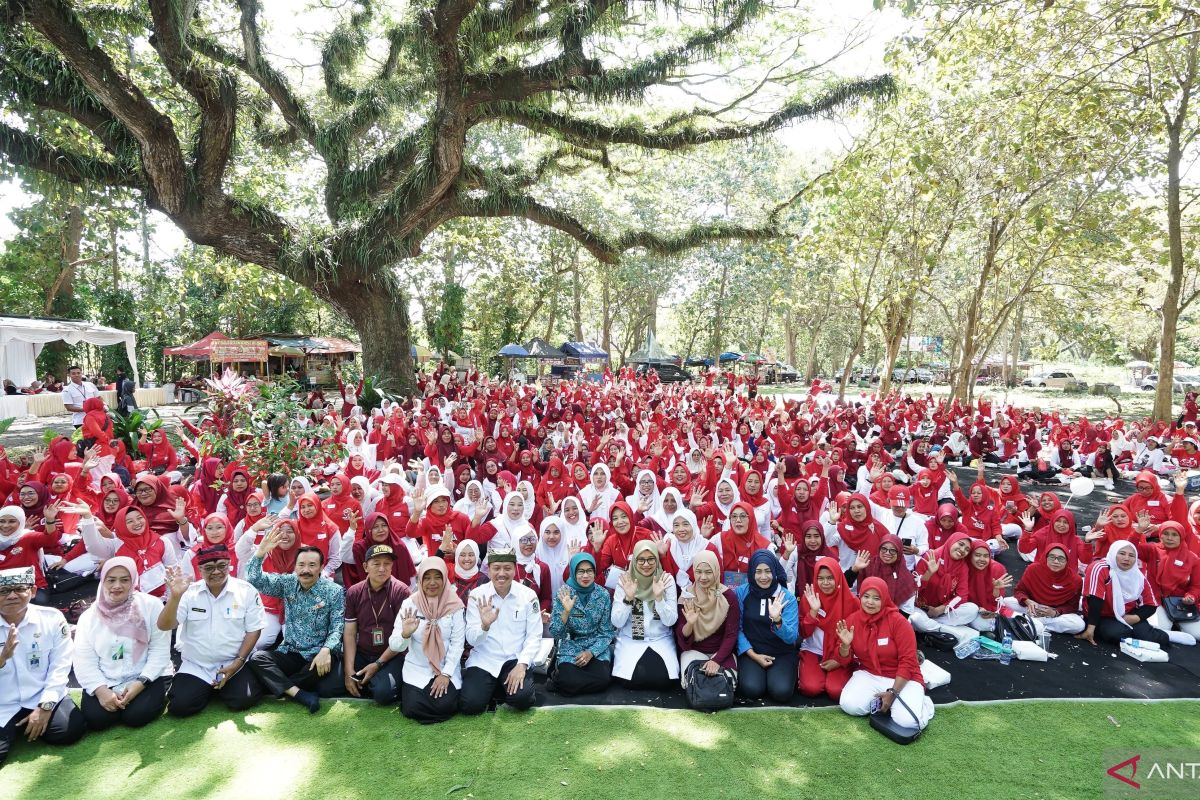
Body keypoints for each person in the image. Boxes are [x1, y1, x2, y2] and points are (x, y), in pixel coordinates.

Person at [158, 546, 266, 717]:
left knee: (243, 700)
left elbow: (254, 630)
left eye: (222, 566)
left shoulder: (246, 591)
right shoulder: (188, 593)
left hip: (234, 662)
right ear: (200, 569)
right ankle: (208, 687)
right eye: (209, 568)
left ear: (229, 565)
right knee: (180, 707)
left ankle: (217, 687)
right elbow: (165, 625)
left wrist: (238, 662)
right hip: (197, 665)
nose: (216, 572)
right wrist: (175, 597)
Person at [246, 529, 346, 713]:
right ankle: (300, 694)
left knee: (323, 667)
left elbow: (338, 626)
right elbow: (254, 579)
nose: (305, 570)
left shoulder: (334, 591)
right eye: (301, 565)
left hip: (318, 654)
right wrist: (260, 554)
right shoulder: (287, 583)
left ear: (321, 567)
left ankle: (277, 684)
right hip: (291, 651)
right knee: (258, 658)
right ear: (295, 567)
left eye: (312, 565)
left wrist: (326, 649)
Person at [73, 557, 172, 730]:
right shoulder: (88, 618)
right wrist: (102, 691)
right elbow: (84, 661)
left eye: (124, 580)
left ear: (133, 581)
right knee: (98, 719)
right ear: (102, 581)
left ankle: (156, 692)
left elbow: (160, 650)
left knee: (136, 716)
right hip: (107, 678)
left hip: (146, 675)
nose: (117, 586)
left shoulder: (151, 605)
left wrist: (140, 684)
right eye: (111, 580)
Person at [0, 566, 86, 765]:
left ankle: (27, 723)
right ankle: (14, 726)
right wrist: (2, 659)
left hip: (40, 694)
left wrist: (45, 706)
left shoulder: (51, 618)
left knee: (69, 730)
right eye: (4, 591)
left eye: (19, 588)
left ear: (33, 591)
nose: (12, 595)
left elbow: (61, 665)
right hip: (2, 704)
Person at [836, 577, 934, 730]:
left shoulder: (899, 622)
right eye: (866, 596)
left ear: (885, 599)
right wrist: (845, 646)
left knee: (908, 722)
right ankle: (886, 702)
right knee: (849, 705)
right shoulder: (852, 620)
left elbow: (908, 662)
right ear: (860, 597)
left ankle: (923, 703)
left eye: (876, 598)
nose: (870, 602)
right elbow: (844, 662)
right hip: (870, 673)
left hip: (903, 678)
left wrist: (893, 692)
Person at [461, 548, 542, 714]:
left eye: (507, 568)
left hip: (514, 658)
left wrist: (522, 665)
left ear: (515, 569)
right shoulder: (477, 596)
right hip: (484, 659)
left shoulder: (528, 595)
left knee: (523, 699)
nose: (502, 573)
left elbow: (534, 636)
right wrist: (484, 626)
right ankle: (496, 686)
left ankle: (501, 686)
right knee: (470, 705)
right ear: (489, 569)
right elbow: (471, 638)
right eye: (496, 568)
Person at [392, 557, 466, 724]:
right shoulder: (409, 604)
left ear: (445, 579)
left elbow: (457, 644)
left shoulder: (455, 605)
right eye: (427, 577)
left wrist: (446, 674)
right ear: (420, 580)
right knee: (411, 708)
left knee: (446, 704)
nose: (432, 582)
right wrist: (405, 634)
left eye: (437, 577)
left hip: (446, 666)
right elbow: (394, 644)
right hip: (417, 668)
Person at [341, 543, 411, 705]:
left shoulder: (401, 591)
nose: (382, 568)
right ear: (365, 566)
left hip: (391, 656)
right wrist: (348, 670)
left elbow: (402, 637)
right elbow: (350, 633)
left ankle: (370, 681)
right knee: (329, 687)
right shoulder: (354, 592)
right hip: (363, 653)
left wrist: (378, 664)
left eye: (387, 564)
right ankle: (365, 680)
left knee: (383, 694)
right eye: (376, 563)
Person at [610, 540, 679, 689]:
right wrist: (628, 599)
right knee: (631, 679)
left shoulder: (666, 580)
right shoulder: (625, 580)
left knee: (663, 680)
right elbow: (616, 622)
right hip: (631, 639)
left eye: (650, 559)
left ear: (656, 559)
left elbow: (670, 621)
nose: (646, 564)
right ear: (634, 560)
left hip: (660, 639)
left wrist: (659, 598)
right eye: (641, 559)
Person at [1079, 541, 1171, 649]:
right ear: (1113, 553)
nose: (1127, 558)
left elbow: (1151, 604)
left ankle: (1151, 632)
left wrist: (1135, 618)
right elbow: (1095, 599)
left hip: (1127, 615)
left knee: (1154, 638)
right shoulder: (1100, 567)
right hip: (1102, 616)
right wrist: (1090, 628)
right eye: (1122, 553)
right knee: (1117, 634)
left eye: (1131, 555)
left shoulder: (1137, 575)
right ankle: (1136, 632)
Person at [735, 549, 799, 703]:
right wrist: (753, 655)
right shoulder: (741, 593)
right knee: (752, 689)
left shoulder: (787, 598)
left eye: (768, 571)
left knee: (781, 692)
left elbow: (792, 637)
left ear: (775, 571)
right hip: (752, 652)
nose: (763, 577)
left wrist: (778, 621)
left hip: (781, 653)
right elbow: (736, 628)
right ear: (751, 573)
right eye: (758, 572)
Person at [675, 550, 740, 697]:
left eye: (708, 572)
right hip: (694, 651)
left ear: (716, 571)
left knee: (728, 683)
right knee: (692, 684)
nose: (703, 577)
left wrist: (717, 660)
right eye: (698, 572)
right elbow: (682, 638)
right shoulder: (687, 597)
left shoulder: (728, 597)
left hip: (722, 652)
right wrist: (690, 624)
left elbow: (731, 634)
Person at [549, 553, 615, 696]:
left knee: (603, 680)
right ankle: (563, 679)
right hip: (570, 645)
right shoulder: (564, 593)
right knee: (569, 681)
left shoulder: (603, 594)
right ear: (573, 572)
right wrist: (566, 612)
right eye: (581, 571)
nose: (585, 576)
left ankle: (563, 683)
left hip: (595, 646)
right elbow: (556, 633)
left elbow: (607, 633)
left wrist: (591, 653)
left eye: (589, 571)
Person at [797, 556, 858, 701]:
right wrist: (813, 611)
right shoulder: (809, 598)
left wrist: (839, 661)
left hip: (841, 653)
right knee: (810, 688)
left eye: (830, 578)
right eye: (821, 578)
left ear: (838, 577)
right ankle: (805, 667)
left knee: (836, 691)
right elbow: (803, 633)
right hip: (814, 650)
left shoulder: (852, 602)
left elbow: (857, 637)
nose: (825, 583)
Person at [1003, 545, 1086, 636]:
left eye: (1061, 558)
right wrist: (1028, 601)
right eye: (1051, 557)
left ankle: (1031, 622)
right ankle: (1035, 623)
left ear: (1067, 561)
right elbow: (1019, 591)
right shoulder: (1033, 569)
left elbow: (1072, 607)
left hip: (1053, 613)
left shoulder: (1075, 580)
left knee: (1079, 625)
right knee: (1006, 602)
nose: (1056, 561)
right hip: (1032, 608)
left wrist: (1055, 612)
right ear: (1046, 557)